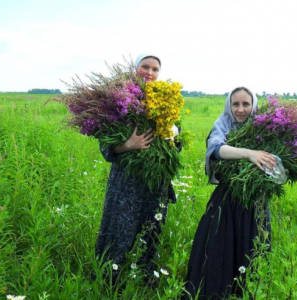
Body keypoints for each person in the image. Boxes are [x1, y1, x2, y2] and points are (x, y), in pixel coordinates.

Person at [184, 87, 278, 299]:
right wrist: (249, 154)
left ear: (254, 105)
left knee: (251, 247)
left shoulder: (266, 128)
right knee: (219, 248)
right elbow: (216, 150)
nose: (241, 109)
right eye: (236, 104)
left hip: (255, 199)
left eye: (246, 104)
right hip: (225, 201)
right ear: (229, 105)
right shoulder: (223, 125)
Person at [95, 53, 176, 284]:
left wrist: (172, 137)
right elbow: (106, 146)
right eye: (145, 67)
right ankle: (110, 279)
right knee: (121, 227)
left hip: (156, 181)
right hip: (126, 181)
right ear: (135, 68)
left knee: (151, 228)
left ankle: (144, 277)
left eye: (155, 69)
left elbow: (175, 145)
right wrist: (128, 145)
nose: (149, 73)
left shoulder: (166, 99)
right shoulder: (120, 99)